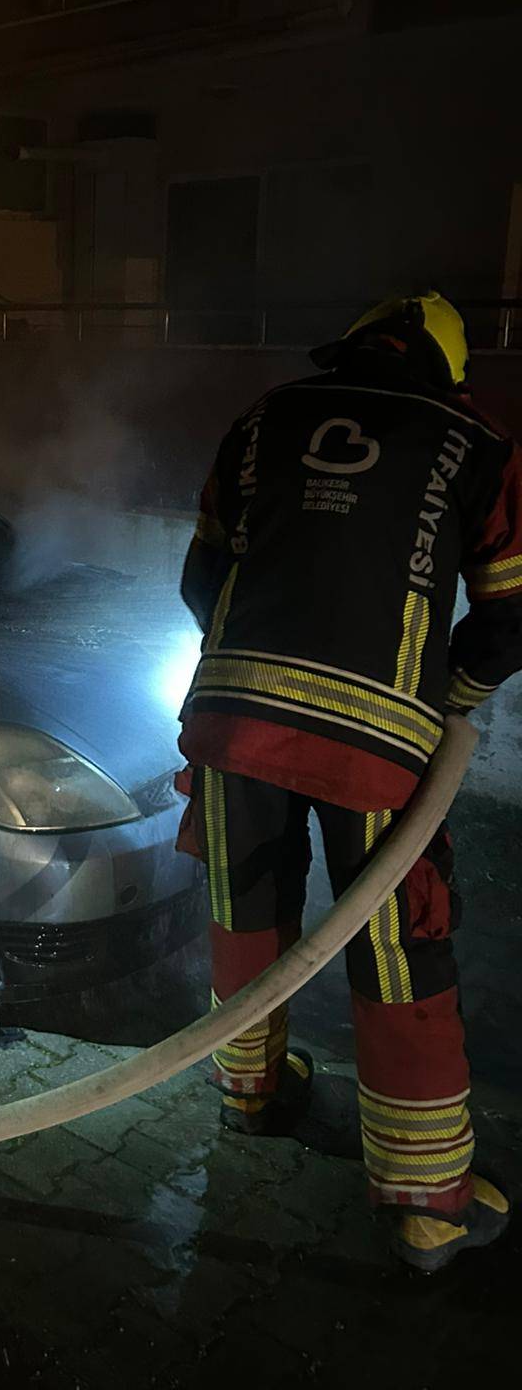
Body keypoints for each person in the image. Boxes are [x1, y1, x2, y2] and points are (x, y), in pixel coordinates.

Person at [177, 292, 522, 1271]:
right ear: (448, 372)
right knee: (400, 948)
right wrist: (442, 696)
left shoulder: (264, 417)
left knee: (246, 918)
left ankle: (250, 1096)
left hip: (230, 715)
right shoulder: (479, 444)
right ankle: (427, 1208)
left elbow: (203, 579)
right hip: (377, 742)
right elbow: (510, 615)